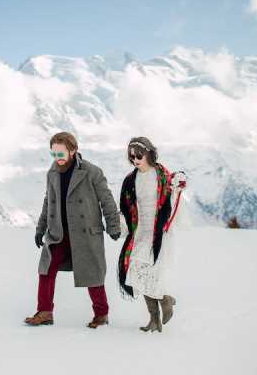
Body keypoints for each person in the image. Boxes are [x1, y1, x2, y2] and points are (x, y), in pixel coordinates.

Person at [25, 132, 121, 328]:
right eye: (53, 154)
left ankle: (101, 315)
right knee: (46, 270)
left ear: (73, 150)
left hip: (85, 233)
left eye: (60, 154)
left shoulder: (91, 172)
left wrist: (113, 225)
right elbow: (48, 202)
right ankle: (44, 312)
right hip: (58, 232)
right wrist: (40, 228)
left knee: (92, 274)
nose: (57, 159)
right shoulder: (52, 173)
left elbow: (107, 201)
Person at [118, 136, 187, 333]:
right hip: (140, 233)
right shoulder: (131, 180)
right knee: (138, 273)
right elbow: (126, 206)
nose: (135, 159)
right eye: (131, 156)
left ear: (149, 153)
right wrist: (122, 225)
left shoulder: (163, 175)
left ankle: (163, 304)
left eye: (138, 155)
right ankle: (158, 312)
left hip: (158, 233)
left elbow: (174, 193)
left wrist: (179, 184)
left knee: (150, 275)